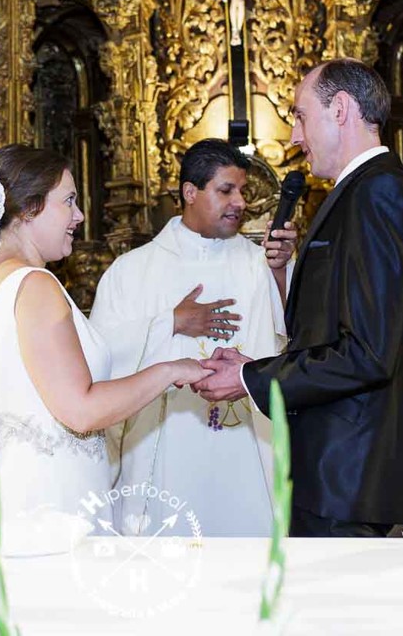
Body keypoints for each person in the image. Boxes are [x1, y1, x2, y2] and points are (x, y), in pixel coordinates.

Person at [0, 145, 210, 534]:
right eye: (68, 201)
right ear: (29, 209)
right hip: (49, 500)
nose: (79, 216)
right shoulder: (35, 285)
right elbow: (81, 410)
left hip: (17, 488)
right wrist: (172, 370)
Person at [195, 58, 403, 537]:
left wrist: (250, 377)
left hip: (350, 479)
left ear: (342, 109)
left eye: (300, 115)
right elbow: (333, 330)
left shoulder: (378, 195)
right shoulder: (372, 192)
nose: (293, 136)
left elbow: (367, 354)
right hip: (350, 476)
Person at [90, 139, 296, 536]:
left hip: (245, 457)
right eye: (225, 190)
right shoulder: (132, 271)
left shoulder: (260, 264)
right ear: (190, 192)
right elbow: (99, 357)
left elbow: (291, 339)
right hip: (163, 451)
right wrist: (170, 321)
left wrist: (282, 274)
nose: (239, 202)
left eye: (242, 191)